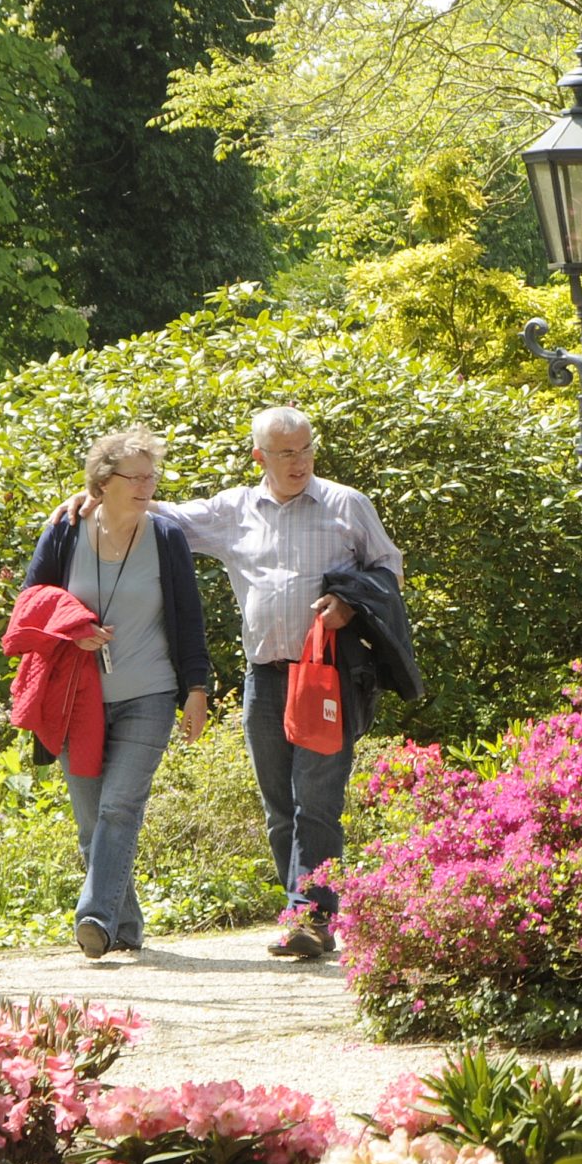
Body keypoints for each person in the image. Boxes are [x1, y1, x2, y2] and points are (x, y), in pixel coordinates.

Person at [152, 408, 404, 960]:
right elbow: (158, 516)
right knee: (278, 805)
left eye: (306, 449)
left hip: (328, 674)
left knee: (315, 799)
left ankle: (312, 919)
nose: (299, 462)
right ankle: (301, 913)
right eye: (286, 453)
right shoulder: (233, 510)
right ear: (258, 456)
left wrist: (348, 605)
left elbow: (388, 570)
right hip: (264, 678)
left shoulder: (345, 503)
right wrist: (93, 498)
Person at [21, 428, 212, 959]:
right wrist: (72, 633)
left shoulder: (166, 538)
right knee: (91, 822)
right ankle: (124, 926)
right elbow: (31, 604)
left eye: (153, 475)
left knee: (119, 808)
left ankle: (95, 918)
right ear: (103, 483)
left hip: (149, 691)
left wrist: (196, 688)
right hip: (75, 699)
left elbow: (190, 620)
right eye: (137, 476)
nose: (148, 484)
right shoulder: (64, 530)